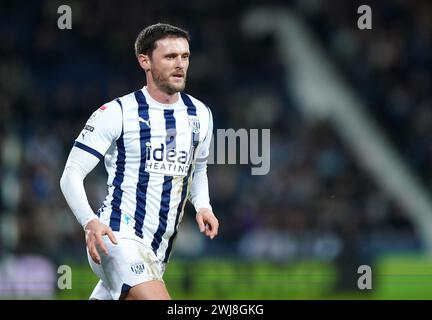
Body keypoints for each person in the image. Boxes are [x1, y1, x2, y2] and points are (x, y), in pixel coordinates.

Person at [60, 23, 219, 300]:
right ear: (144, 61)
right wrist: (90, 222)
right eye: (170, 57)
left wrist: (203, 205)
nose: (180, 64)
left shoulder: (201, 114)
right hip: (116, 238)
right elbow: (71, 173)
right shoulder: (118, 112)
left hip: (157, 252)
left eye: (185, 56)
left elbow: (199, 169)